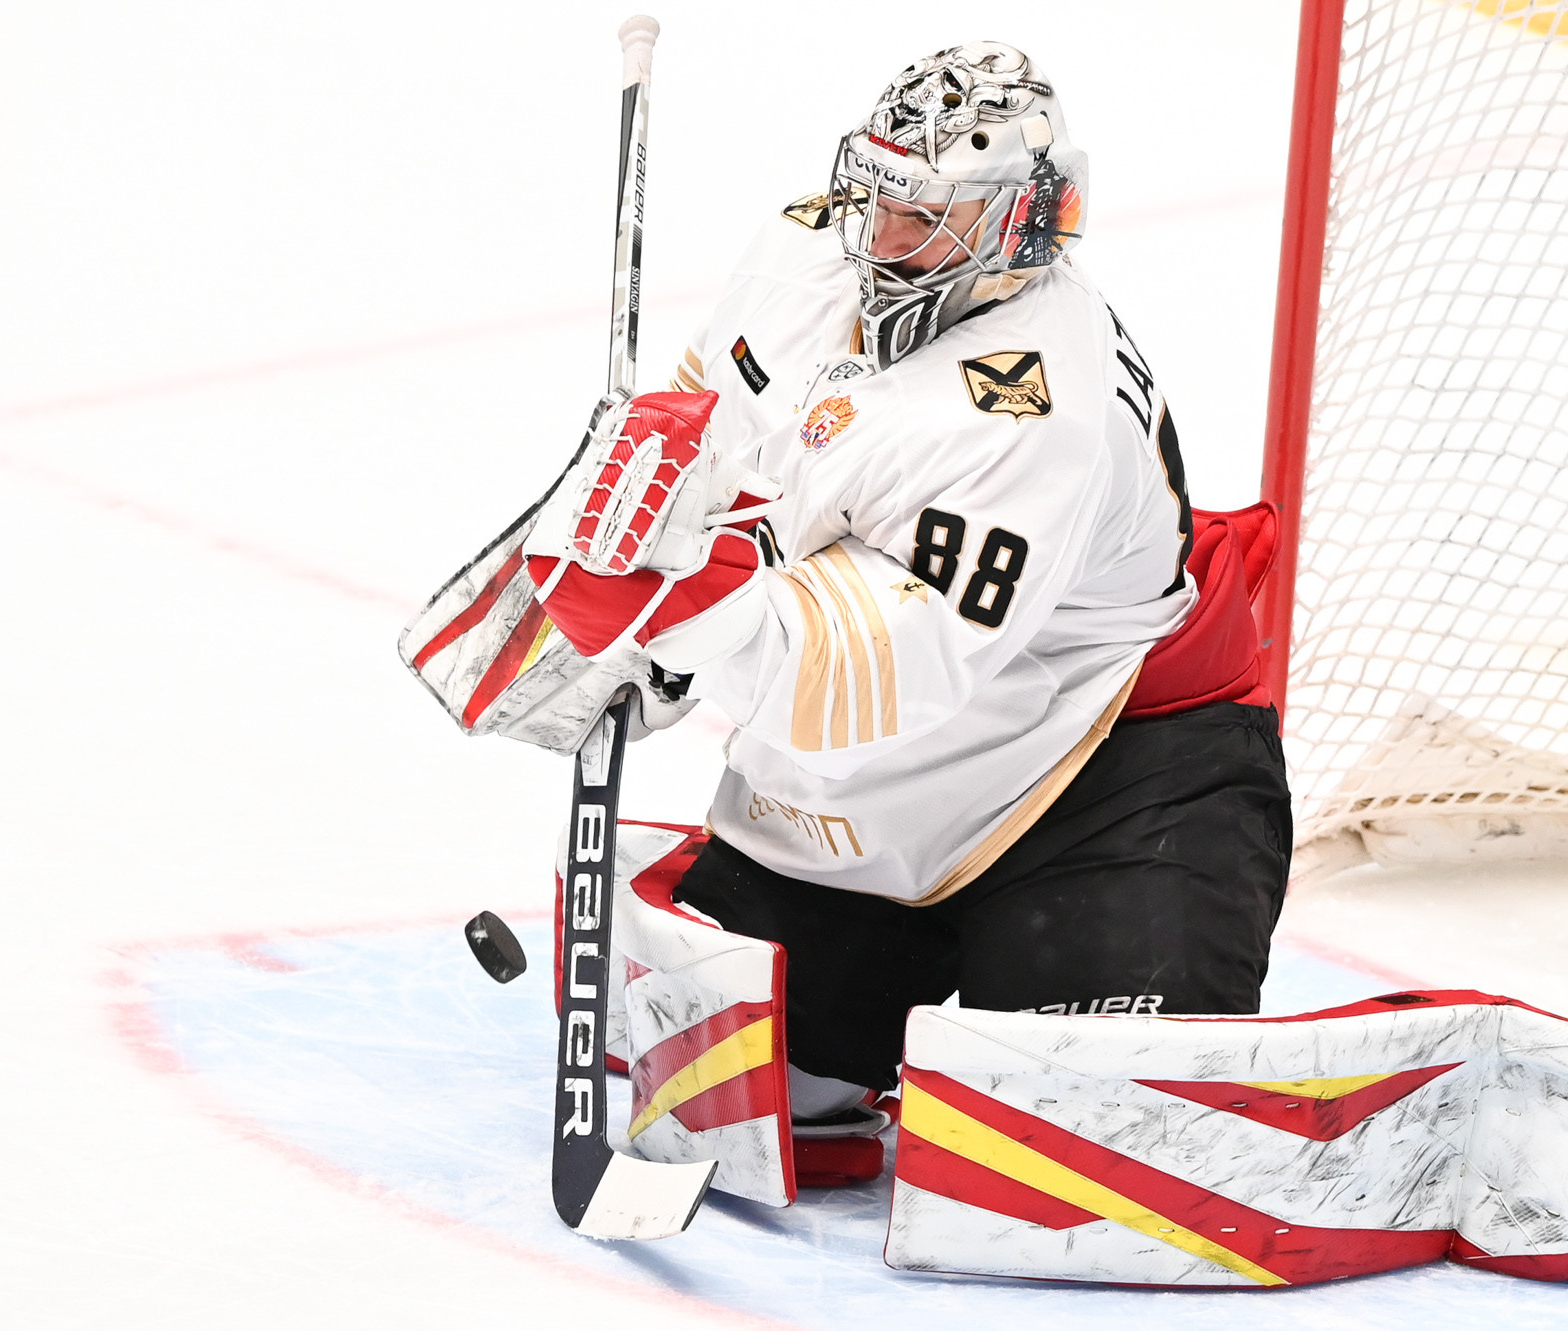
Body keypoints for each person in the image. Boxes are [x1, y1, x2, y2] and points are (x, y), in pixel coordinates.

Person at [534, 41, 1292, 1126]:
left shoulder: (1036, 414)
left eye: (926, 214)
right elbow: (700, 435)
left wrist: (697, 617)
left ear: (1023, 220)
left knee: (1081, 1134)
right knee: (752, 1098)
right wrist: (646, 566)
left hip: (1105, 772)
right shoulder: (800, 252)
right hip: (881, 782)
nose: (883, 239)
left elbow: (886, 675)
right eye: (878, 196)